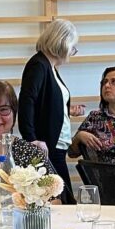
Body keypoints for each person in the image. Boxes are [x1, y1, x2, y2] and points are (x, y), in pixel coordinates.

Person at [18, 18, 85, 203]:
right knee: (63, 200)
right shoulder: (38, 65)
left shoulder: (50, 67)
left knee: (63, 198)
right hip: (48, 146)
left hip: (57, 146)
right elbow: (27, 102)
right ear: (63, 42)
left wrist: (67, 110)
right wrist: (31, 139)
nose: (73, 52)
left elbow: (45, 103)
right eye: (73, 47)